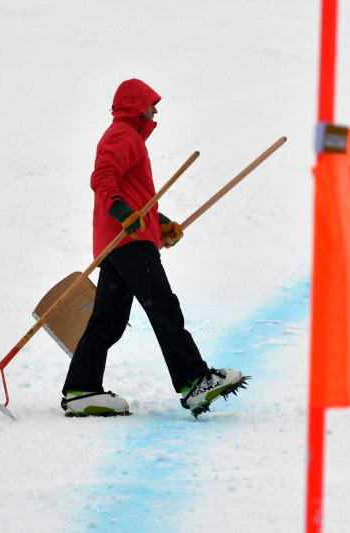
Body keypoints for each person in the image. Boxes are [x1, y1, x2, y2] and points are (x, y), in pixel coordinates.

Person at [61, 78, 246, 418]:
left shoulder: (128, 137)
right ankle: (194, 381)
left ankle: (81, 391)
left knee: (108, 321)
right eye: (151, 104)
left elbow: (135, 197)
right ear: (136, 106)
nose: (155, 110)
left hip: (121, 241)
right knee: (162, 306)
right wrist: (123, 213)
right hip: (128, 240)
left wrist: (158, 224)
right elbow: (102, 177)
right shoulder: (123, 134)